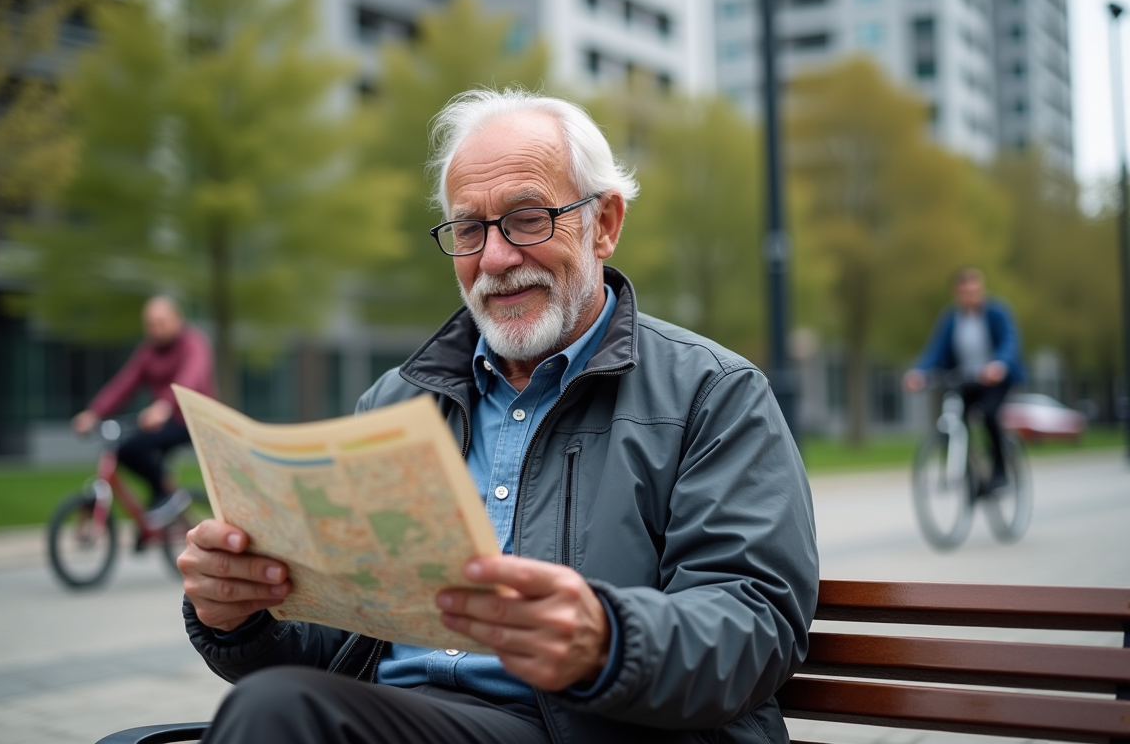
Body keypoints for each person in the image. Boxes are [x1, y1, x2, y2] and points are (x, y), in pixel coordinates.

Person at [178, 88, 819, 744]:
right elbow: (338, 646)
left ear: (603, 224)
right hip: (397, 719)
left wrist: (608, 640)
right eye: (469, 230)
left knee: (277, 712)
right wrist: (239, 616)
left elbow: (755, 624)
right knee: (275, 706)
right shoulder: (396, 403)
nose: (495, 258)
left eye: (527, 219)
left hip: (595, 730)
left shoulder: (713, 395)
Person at [72, 296, 216, 525]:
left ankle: (168, 498)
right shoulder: (148, 351)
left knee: (136, 448)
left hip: (191, 420)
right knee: (127, 451)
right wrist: (94, 412)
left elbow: (190, 377)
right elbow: (124, 384)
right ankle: (161, 504)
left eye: (160, 323)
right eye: (150, 324)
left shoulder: (193, 343)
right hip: (162, 422)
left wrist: (165, 405)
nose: (155, 329)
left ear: (177, 320)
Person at [903, 267, 1025, 489]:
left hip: (994, 379)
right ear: (957, 293)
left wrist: (998, 364)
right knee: (957, 419)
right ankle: (970, 473)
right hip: (965, 380)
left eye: (976, 290)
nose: (972, 296)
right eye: (966, 292)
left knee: (989, 415)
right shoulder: (951, 319)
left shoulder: (997, 313)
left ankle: (1000, 471)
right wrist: (919, 372)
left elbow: (1009, 342)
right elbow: (936, 349)